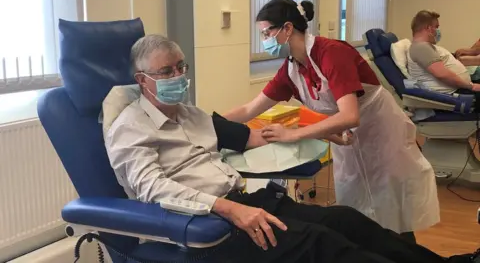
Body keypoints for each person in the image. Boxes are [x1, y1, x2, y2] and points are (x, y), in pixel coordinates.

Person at [104, 34, 480, 263]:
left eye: (180, 67)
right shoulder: (130, 128)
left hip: (248, 204)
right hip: (205, 225)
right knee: (323, 244)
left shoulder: (191, 114)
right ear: (142, 80)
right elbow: (151, 189)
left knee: (346, 220)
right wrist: (230, 208)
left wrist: (318, 130)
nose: (177, 77)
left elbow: (253, 132)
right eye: (166, 72)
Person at [224, 0, 440, 243]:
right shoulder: (291, 69)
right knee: (357, 209)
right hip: (348, 140)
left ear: (287, 29)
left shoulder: (331, 53)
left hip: (381, 131)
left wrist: (293, 134)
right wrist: (208, 122)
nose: (265, 41)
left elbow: (350, 115)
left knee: (391, 208)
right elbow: (249, 109)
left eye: (267, 32)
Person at [407, 10, 480, 93]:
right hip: (457, 92)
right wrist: (471, 86)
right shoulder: (421, 48)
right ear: (428, 28)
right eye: (436, 27)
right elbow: (442, 74)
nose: (438, 31)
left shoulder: (423, 46)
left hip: (459, 88)